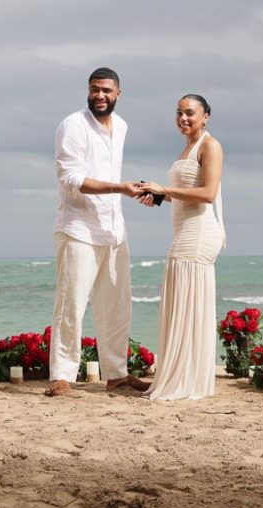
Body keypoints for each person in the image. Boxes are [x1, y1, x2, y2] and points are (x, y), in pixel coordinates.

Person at [46, 67, 149, 397]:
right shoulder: (72, 125)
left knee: (117, 307)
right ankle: (62, 376)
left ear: (119, 93)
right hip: (78, 230)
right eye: (94, 89)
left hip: (115, 230)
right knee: (71, 305)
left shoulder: (121, 126)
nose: (99, 95)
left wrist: (133, 192)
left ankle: (117, 374)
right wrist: (120, 187)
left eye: (106, 90)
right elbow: (70, 180)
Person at [135, 94, 226, 400]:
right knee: (181, 301)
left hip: (199, 232)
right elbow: (185, 194)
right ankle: (181, 373)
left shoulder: (210, 146)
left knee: (189, 300)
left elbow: (209, 193)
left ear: (206, 116)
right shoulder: (186, 148)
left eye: (189, 113)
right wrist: (159, 196)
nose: (182, 118)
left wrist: (165, 188)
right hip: (183, 229)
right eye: (178, 113)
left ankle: (188, 379)